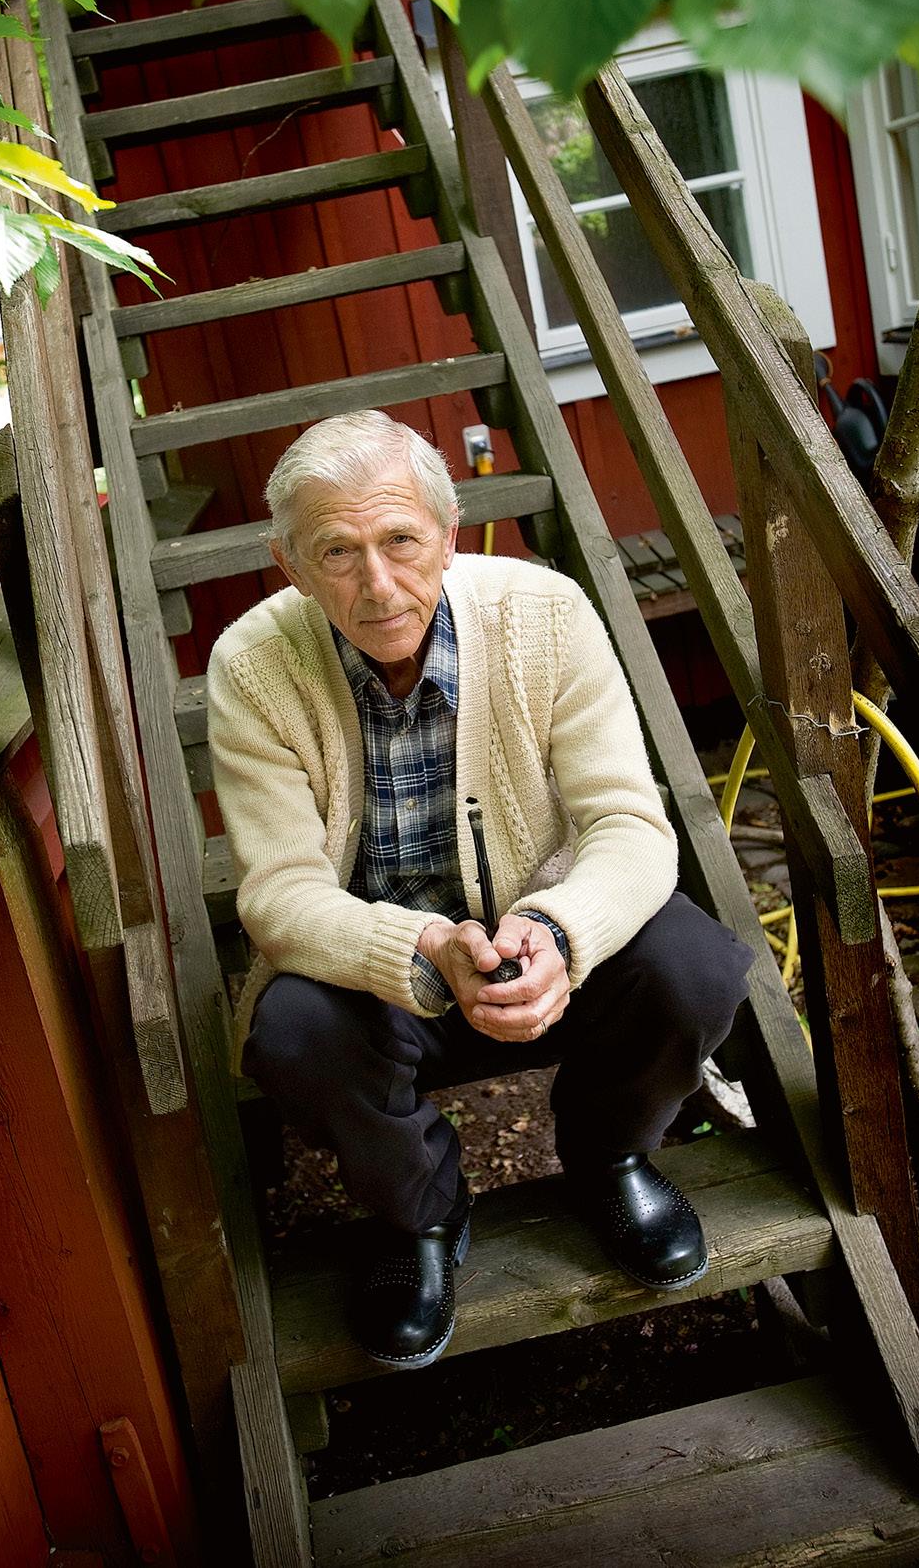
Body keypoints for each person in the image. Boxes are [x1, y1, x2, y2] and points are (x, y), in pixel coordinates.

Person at [207, 411, 753, 1371]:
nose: (378, 585)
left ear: (449, 533)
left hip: (539, 949)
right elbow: (280, 894)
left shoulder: (546, 614)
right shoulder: (252, 665)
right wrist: (424, 948)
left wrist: (558, 928)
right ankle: (421, 1212)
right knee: (289, 1030)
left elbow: (630, 826)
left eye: (401, 541)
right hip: (383, 975)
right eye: (336, 552)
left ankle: (609, 1156)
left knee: (697, 967)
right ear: (288, 563)